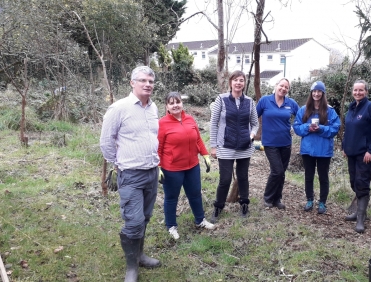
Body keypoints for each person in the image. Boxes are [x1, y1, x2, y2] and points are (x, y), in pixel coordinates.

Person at [100, 66, 161, 282]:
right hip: (131, 174)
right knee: (133, 221)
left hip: (152, 172)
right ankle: (131, 268)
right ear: (132, 83)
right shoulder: (119, 108)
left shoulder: (153, 108)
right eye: (143, 80)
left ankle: (140, 255)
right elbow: (106, 141)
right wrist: (118, 163)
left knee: (144, 218)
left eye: (151, 81)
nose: (147, 85)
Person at [158, 92, 215, 240]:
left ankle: (200, 220)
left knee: (195, 194)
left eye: (177, 102)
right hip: (172, 169)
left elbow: (198, 140)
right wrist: (157, 166)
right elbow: (157, 147)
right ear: (167, 106)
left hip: (192, 166)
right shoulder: (162, 123)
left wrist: (205, 155)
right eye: (171, 103)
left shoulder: (190, 119)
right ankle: (171, 226)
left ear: (182, 103)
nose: (175, 105)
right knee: (171, 198)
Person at [209, 70, 259, 222]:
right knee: (225, 179)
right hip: (225, 145)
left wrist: (251, 136)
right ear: (230, 83)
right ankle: (218, 207)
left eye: (241, 80)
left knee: (243, 177)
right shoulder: (221, 99)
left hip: (245, 146)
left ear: (244, 83)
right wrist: (213, 146)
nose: (238, 83)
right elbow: (214, 123)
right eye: (236, 80)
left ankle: (244, 205)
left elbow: (255, 124)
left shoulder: (250, 102)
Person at [342, 79, 371, 233]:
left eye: (361, 90)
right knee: (354, 182)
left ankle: (360, 218)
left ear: (366, 91)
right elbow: (348, 130)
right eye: (355, 90)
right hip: (351, 152)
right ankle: (360, 212)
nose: (357, 93)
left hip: (365, 154)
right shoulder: (352, 108)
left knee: (362, 183)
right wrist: (344, 146)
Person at [293, 81, 340, 214]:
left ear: (323, 93)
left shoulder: (330, 111)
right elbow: (296, 127)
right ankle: (309, 200)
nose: (316, 94)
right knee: (309, 176)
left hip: (324, 150)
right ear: (311, 93)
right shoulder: (303, 110)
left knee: (323, 177)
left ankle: (322, 203)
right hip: (308, 149)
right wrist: (307, 127)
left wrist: (321, 129)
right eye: (314, 91)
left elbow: (335, 128)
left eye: (319, 91)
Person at [256, 78, 299, 209]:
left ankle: (277, 199)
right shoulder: (265, 100)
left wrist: (294, 126)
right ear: (276, 86)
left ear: (288, 90)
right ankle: (268, 197)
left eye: (286, 87)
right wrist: (250, 133)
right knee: (277, 171)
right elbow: (253, 117)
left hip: (286, 143)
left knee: (282, 172)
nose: (283, 89)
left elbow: (302, 116)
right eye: (281, 86)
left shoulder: (291, 103)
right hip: (270, 143)